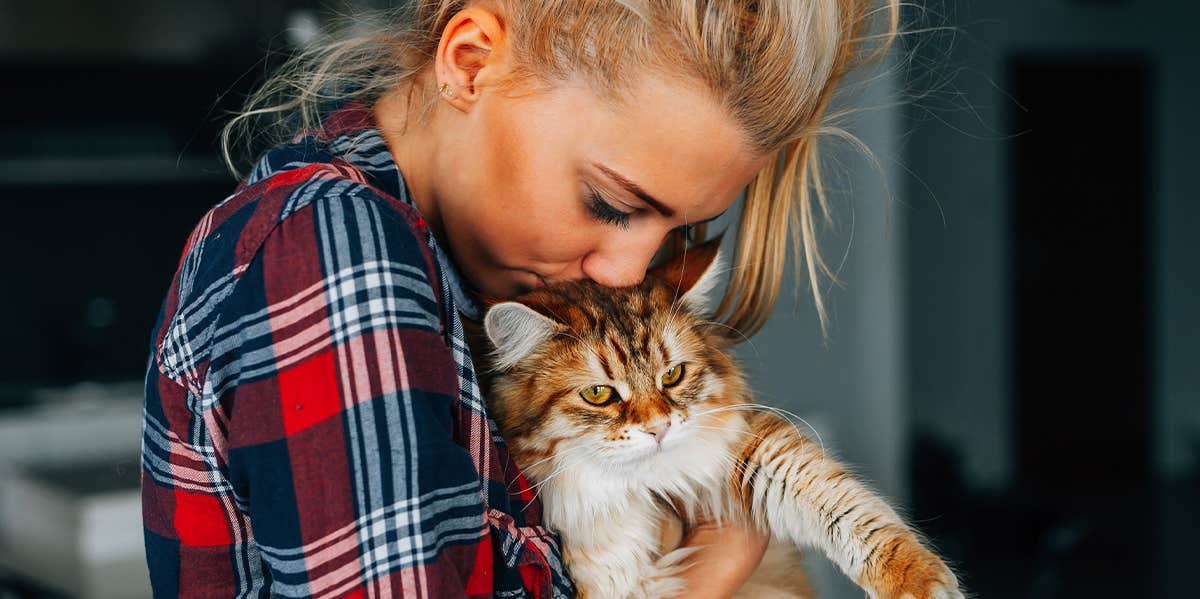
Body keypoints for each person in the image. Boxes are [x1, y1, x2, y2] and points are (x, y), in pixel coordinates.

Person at [141, 1, 901, 597]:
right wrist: (711, 571)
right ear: (471, 63)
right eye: (609, 203)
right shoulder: (336, 250)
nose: (628, 272)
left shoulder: (465, 270)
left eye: (676, 226)